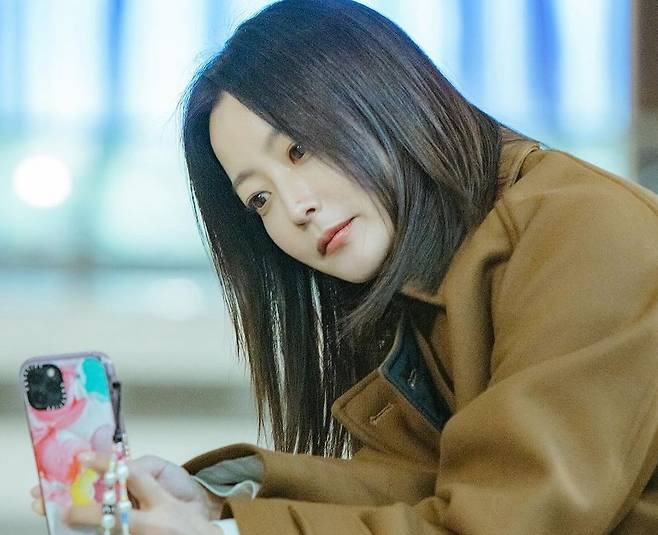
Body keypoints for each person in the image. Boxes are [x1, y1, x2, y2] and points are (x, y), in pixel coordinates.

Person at [30, 0, 658, 533]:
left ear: (383, 97)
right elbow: (412, 485)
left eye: (299, 149)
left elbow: (505, 519)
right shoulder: (426, 275)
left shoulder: (583, 230)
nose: (294, 208)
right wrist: (217, 504)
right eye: (259, 199)